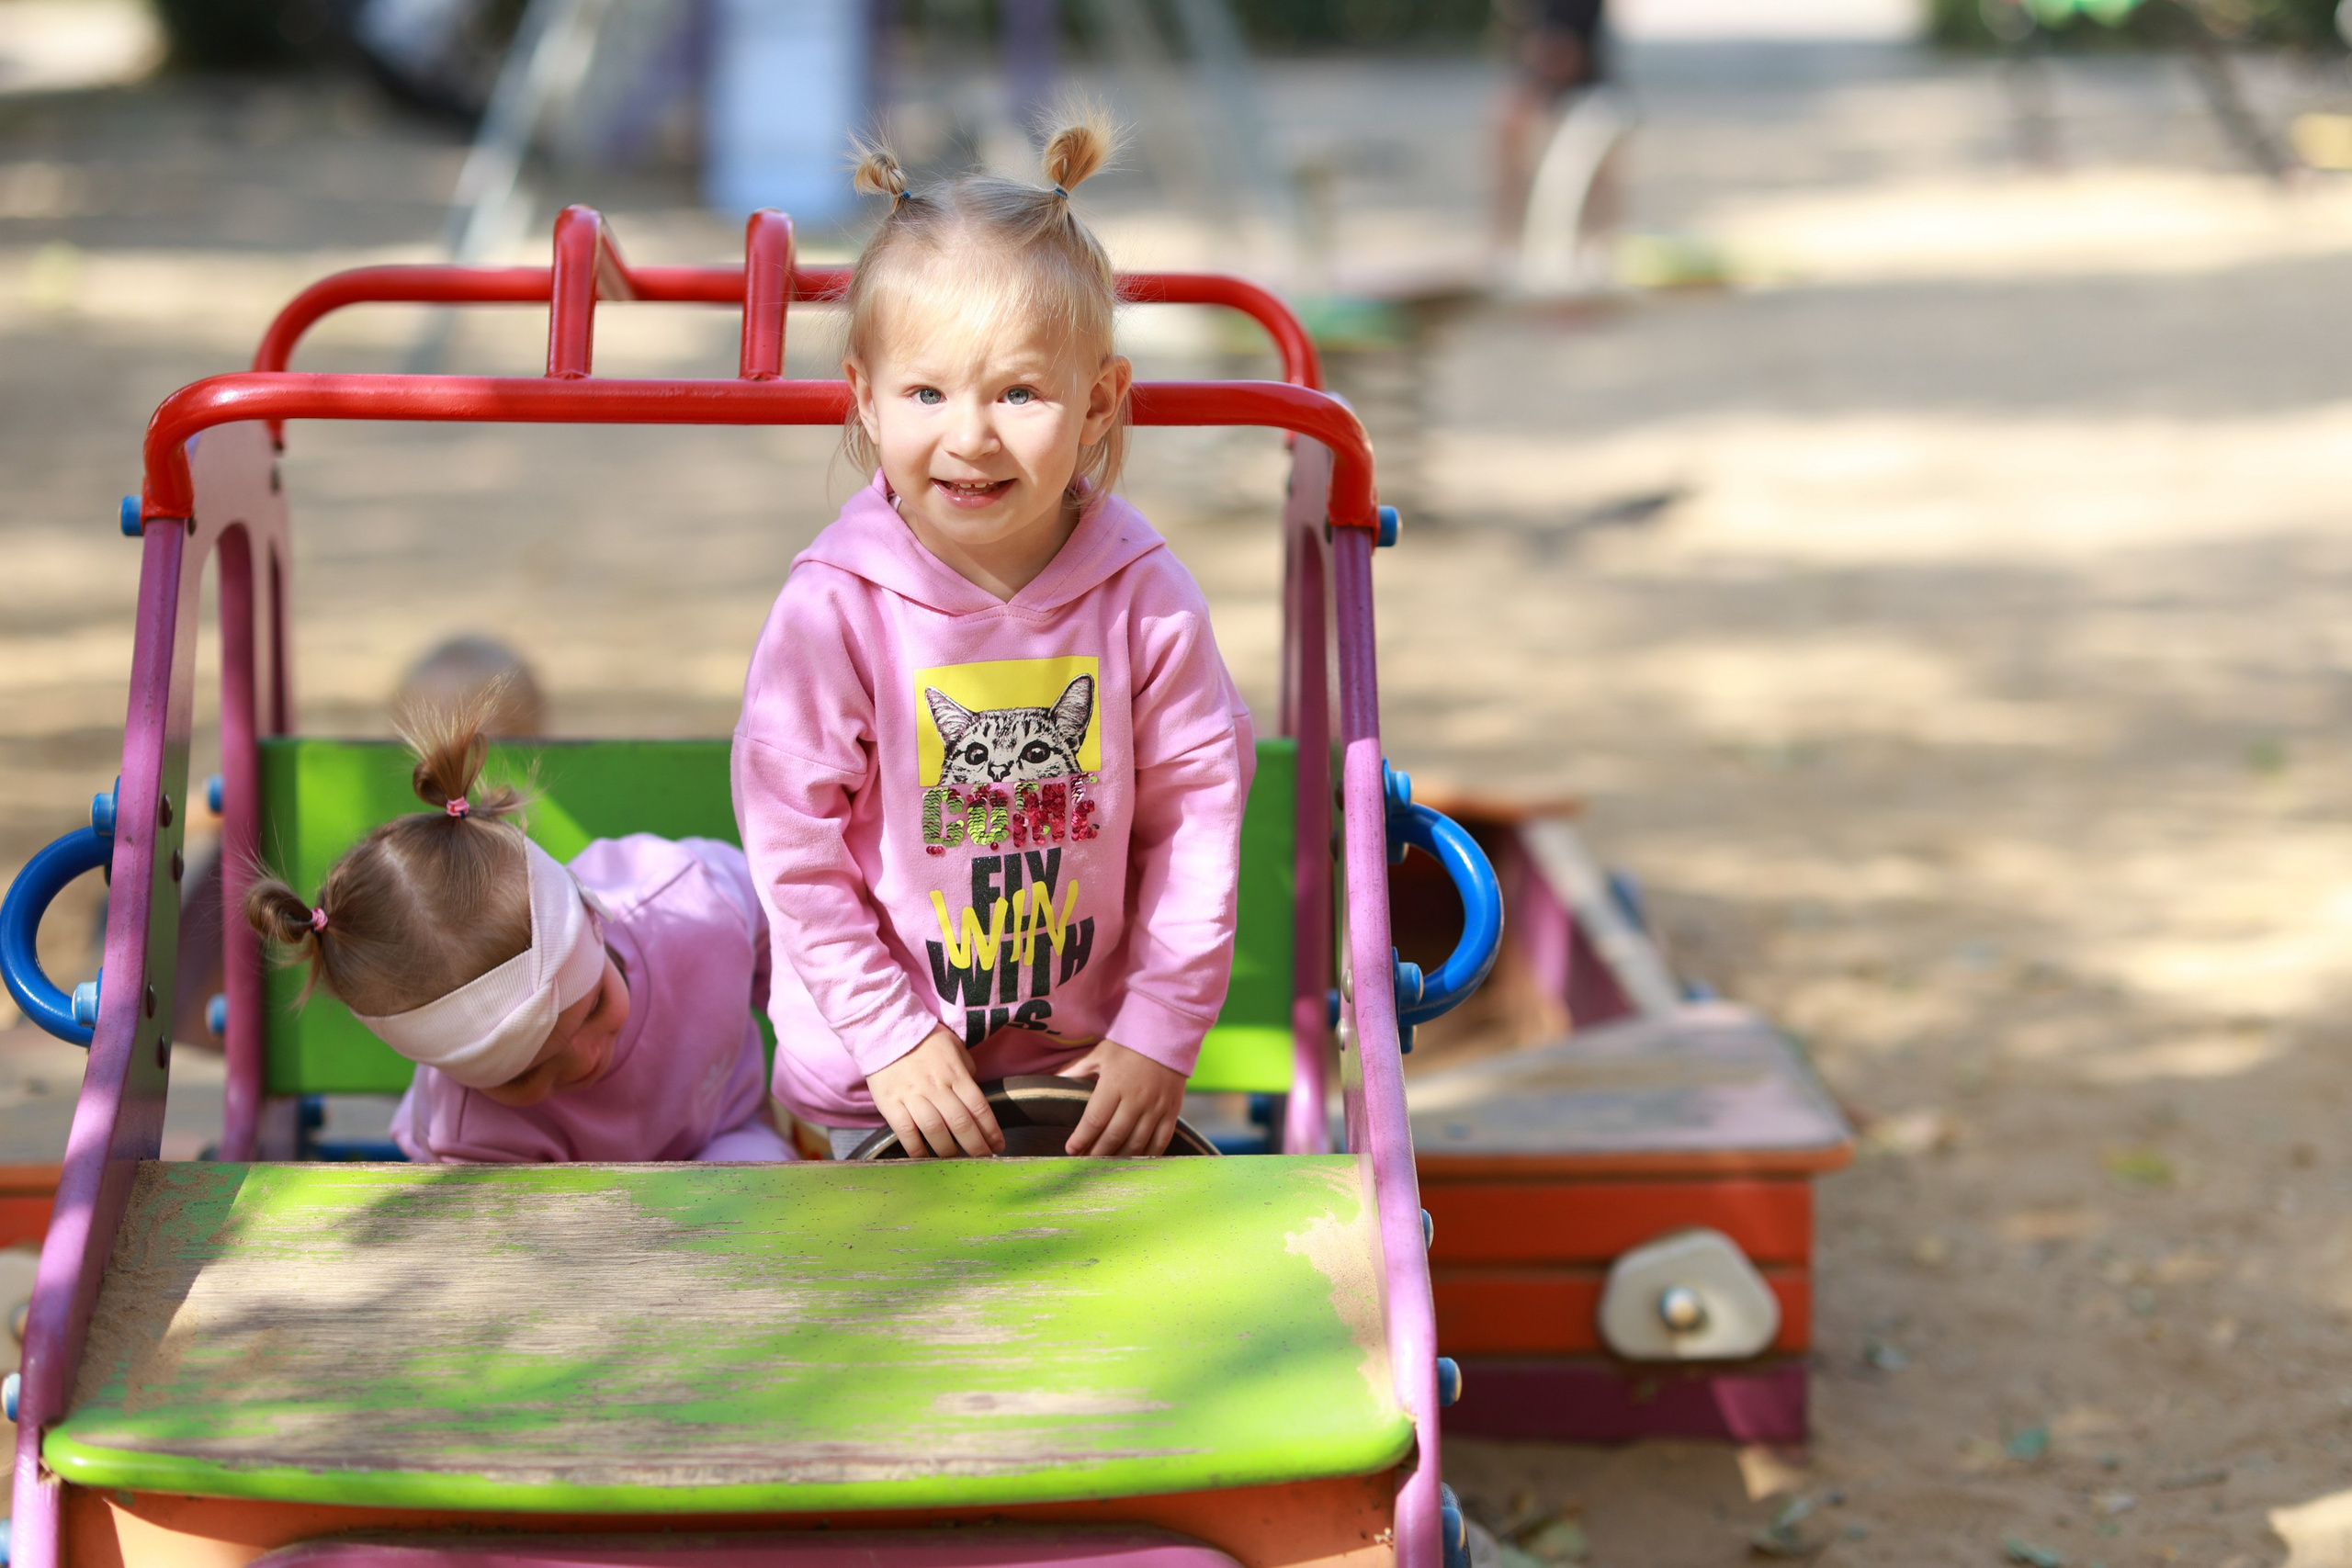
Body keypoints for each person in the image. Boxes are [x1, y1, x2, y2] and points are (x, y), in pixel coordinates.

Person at [731, 111, 1253, 1162]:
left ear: (1099, 402)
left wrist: (1159, 1027)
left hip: (1091, 1068)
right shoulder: (836, 609)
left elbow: (1197, 818)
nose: (969, 436)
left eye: (1018, 392)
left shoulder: (1143, 599)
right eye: (926, 392)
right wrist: (889, 1036)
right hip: (895, 1078)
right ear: (866, 402)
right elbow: (794, 846)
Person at [245, 697, 795, 1164]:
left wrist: (815, 1053)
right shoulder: (470, 1136)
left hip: (728, 1135)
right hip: (581, 1226)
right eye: (527, 1073)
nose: (583, 1059)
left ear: (595, 922)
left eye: (597, 1002)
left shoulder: (691, 903)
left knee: (771, 1205)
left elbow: (795, 931)